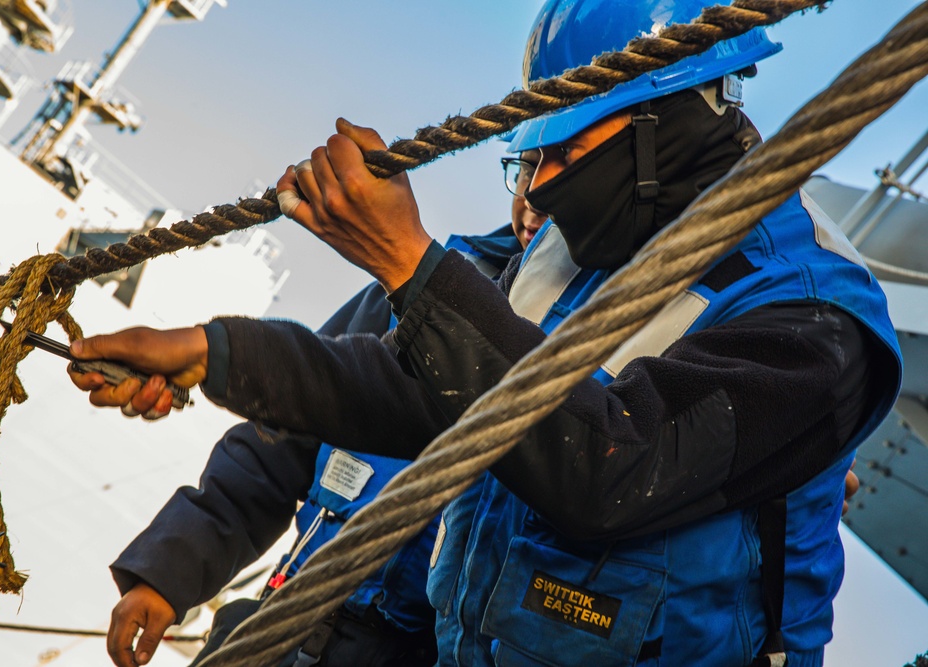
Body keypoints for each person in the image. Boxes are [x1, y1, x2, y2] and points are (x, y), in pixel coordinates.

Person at [70, 1, 902, 664]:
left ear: (661, 126)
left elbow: (614, 469)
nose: (539, 186)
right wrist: (214, 352)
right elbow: (425, 397)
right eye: (527, 160)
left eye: (562, 151)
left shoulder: (812, 320)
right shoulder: (575, 260)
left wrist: (407, 263)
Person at [102, 158, 534, 667]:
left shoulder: (613, 342)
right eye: (526, 167)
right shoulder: (422, 288)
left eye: (566, 158)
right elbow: (277, 446)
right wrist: (167, 573)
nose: (532, 195)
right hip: (275, 633)